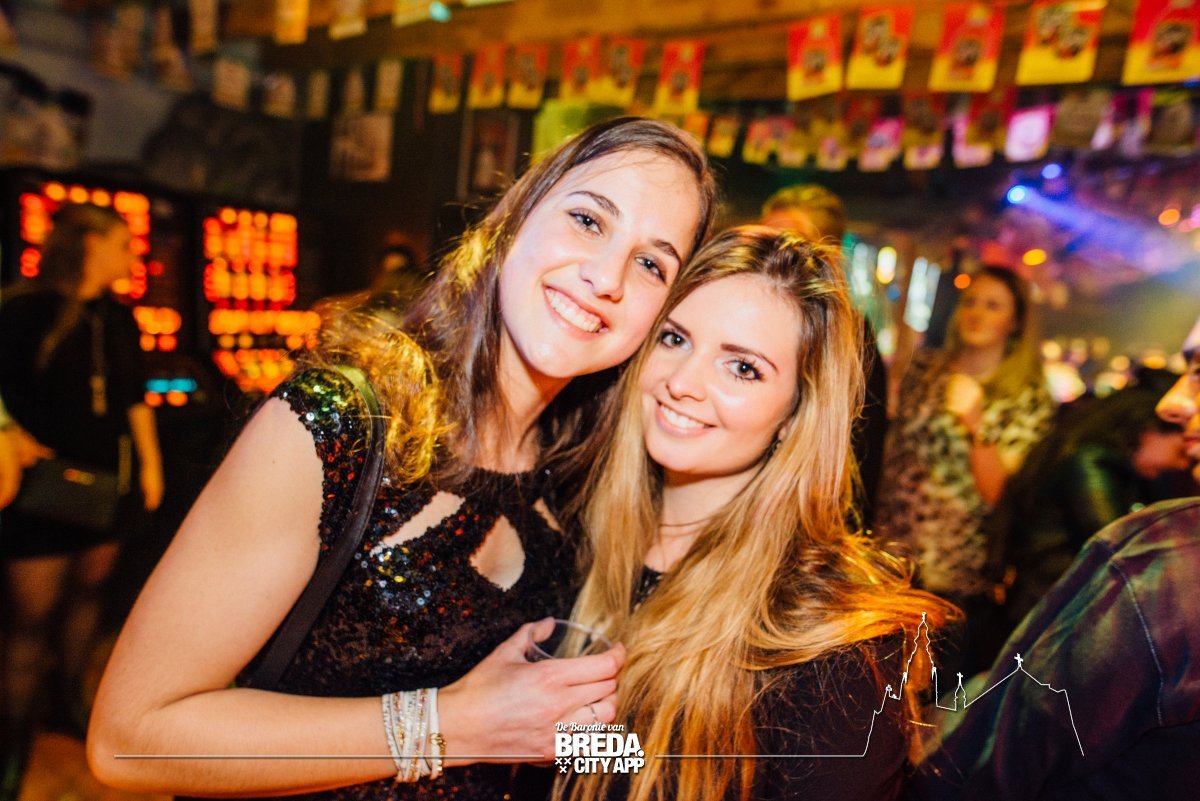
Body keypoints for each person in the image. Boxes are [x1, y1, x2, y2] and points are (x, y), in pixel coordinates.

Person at [87, 117, 717, 800]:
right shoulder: (338, 427)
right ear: (516, 219)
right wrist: (450, 725)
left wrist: (689, 760)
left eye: (652, 264)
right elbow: (129, 737)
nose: (607, 277)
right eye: (589, 220)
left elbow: (531, 740)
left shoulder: (582, 478)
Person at [565, 227, 955, 801]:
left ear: (795, 414)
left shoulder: (827, 645)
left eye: (742, 368)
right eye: (674, 338)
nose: (682, 383)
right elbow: (613, 760)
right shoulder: (576, 535)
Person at [909, 315, 1200, 800]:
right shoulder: (1108, 490)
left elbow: (999, 758)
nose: (1172, 405)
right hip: (1042, 608)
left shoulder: (1165, 565)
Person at [0, 203, 163, 798]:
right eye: (123, 243)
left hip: (105, 488)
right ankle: (11, 742)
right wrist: (9, 434)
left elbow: (134, 397)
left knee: (88, 599)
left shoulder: (118, 317)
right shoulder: (23, 309)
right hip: (36, 493)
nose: (132, 256)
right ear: (90, 244)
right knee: (27, 624)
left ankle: (68, 703)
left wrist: (150, 465)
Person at [875, 265, 1054, 674]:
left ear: (1015, 322)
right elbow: (893, 453)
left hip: (956, 576)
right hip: (890, 557)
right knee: (879, 685)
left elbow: (1001, 496)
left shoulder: (1026, 394)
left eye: (993, 306)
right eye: (971, 302)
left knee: (936, 694)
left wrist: (976, 425)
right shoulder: (925, 369)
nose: (976, 313)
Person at [990, 372, 1191, 631]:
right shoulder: (1091, 465)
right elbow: (1119, 549)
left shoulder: (1110, 466)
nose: (1182, 464)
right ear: (1147, 429)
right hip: (1053, 617)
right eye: (1180, 451)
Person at [760, 184, 889, 528]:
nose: (770, 253)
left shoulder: (852, 339)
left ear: (828, 255)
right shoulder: (738, 319)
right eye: (764, 237)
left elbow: (861, 458)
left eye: (789, 242)